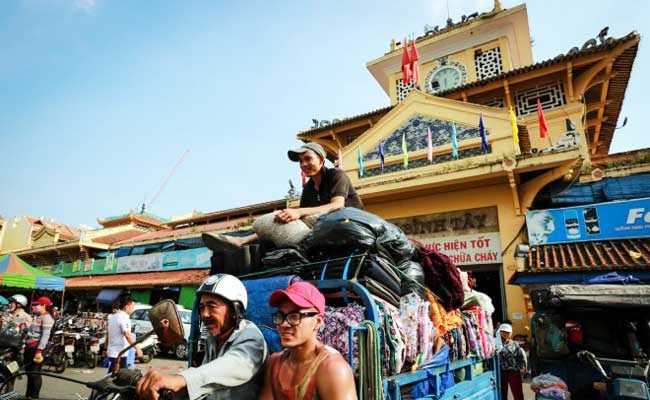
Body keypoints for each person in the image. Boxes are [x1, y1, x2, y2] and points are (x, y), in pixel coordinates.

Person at [204, 142, 364, 250]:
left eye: (307, 158)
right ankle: (241, 240)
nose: (303, 165)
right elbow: (301, 219)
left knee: (294, 215)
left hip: (349, 221)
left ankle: (241, 240)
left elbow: (337, 205)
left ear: (321, 160)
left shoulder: (336, 174)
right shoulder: (308, 188)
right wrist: (290, 214)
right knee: (281, 218)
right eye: (300, 161)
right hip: (323, 224)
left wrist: (299, 212)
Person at [136, 274, 267, 400]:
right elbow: (203, 385)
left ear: (234, 310)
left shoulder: (251, 337)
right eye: (202, 307)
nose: (204, 314)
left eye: (212, 306)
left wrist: (180, 379)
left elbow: (234, 365)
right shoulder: (213, 339)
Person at [259, 281, 357, 400]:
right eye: (280, 316)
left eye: (295, 316)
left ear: (318, 321)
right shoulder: (274, 363)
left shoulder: (332, 369)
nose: (284, 324)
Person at [24, 296, 55, 400]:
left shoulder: (47, 318)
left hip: (36, 348)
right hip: (29, 346)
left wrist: (39, 351)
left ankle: (34, 396)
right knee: (28, 373)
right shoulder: (37, 316)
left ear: (44, 305)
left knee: (35, 374)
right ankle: (28, 395)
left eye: (37, 305)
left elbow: (45, 336)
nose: (34, 306)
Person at [105, 295, 143, 372]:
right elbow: (127, 334)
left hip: (113, 352)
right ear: (126, 307)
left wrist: (106, 347)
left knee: (115, 374)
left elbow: (108, 334)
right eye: (132, 307)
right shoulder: (124, 318)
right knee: (121, 376)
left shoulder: (112, 317)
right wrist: (138, 349)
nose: (133, 310)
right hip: (119, 353)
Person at [497, 324, 526, 400]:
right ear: (500, 332)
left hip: (514, 372)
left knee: (518, 394)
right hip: (501, 373)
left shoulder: (515, 344)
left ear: (511, 333)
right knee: (502, 394)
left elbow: (520, 357)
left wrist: (523, 367)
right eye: (503, 331)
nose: (505, 334)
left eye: (508, 332)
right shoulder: (496, 344)